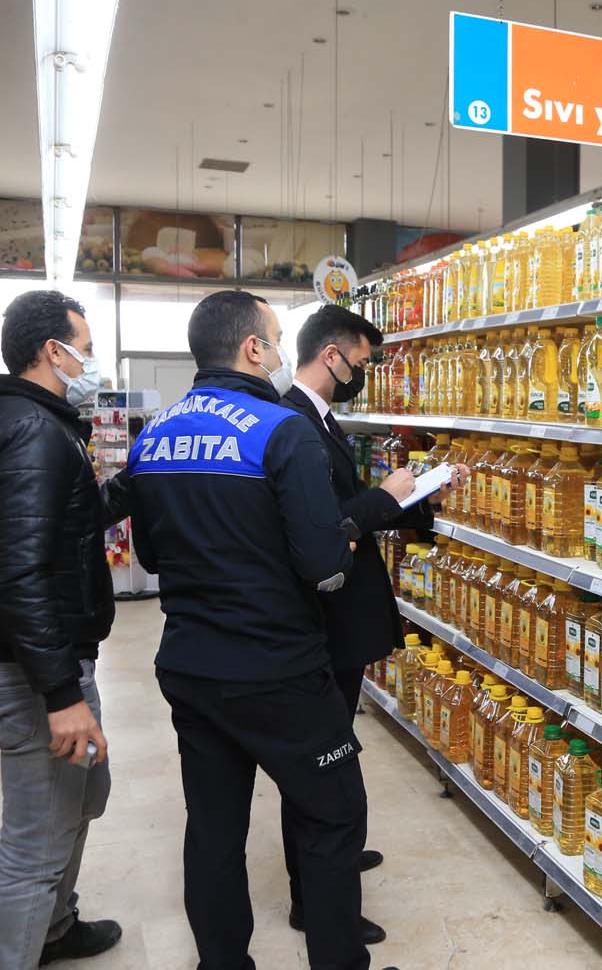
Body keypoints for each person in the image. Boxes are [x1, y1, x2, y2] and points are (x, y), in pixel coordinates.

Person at [125, 290, 385, 970]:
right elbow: (323, 565)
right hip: (279, 668)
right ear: (252, 348)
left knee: (213, 830)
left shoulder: (153, 436)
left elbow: (149, 554)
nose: (278, 352)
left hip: (190, 663)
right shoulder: (282, 430)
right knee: (332, 814)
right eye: (273, 338)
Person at [278, 305, 469, 941]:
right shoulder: (294, 423)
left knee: (333, 752)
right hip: (324, 620)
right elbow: (331, 526)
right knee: (321, 763)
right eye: (361, 362)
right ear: (331, 355)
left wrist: (414, 499)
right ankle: (315, 897)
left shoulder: (319, 418)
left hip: (342, 619)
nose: (365, 373)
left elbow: (351, 509)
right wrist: (384, 496)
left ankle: (333, 855)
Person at [0, 289, 129, 969]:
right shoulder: (32, 432)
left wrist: (136, 481)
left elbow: (66, 524)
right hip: (35, 672)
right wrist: (61, 695)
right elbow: (22, 575)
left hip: (51, 657)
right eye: (85, 348)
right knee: (36, 843)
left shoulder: (32, 422)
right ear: (52, 351)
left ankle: (56, 928)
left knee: (81, 799)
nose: (91, 361)